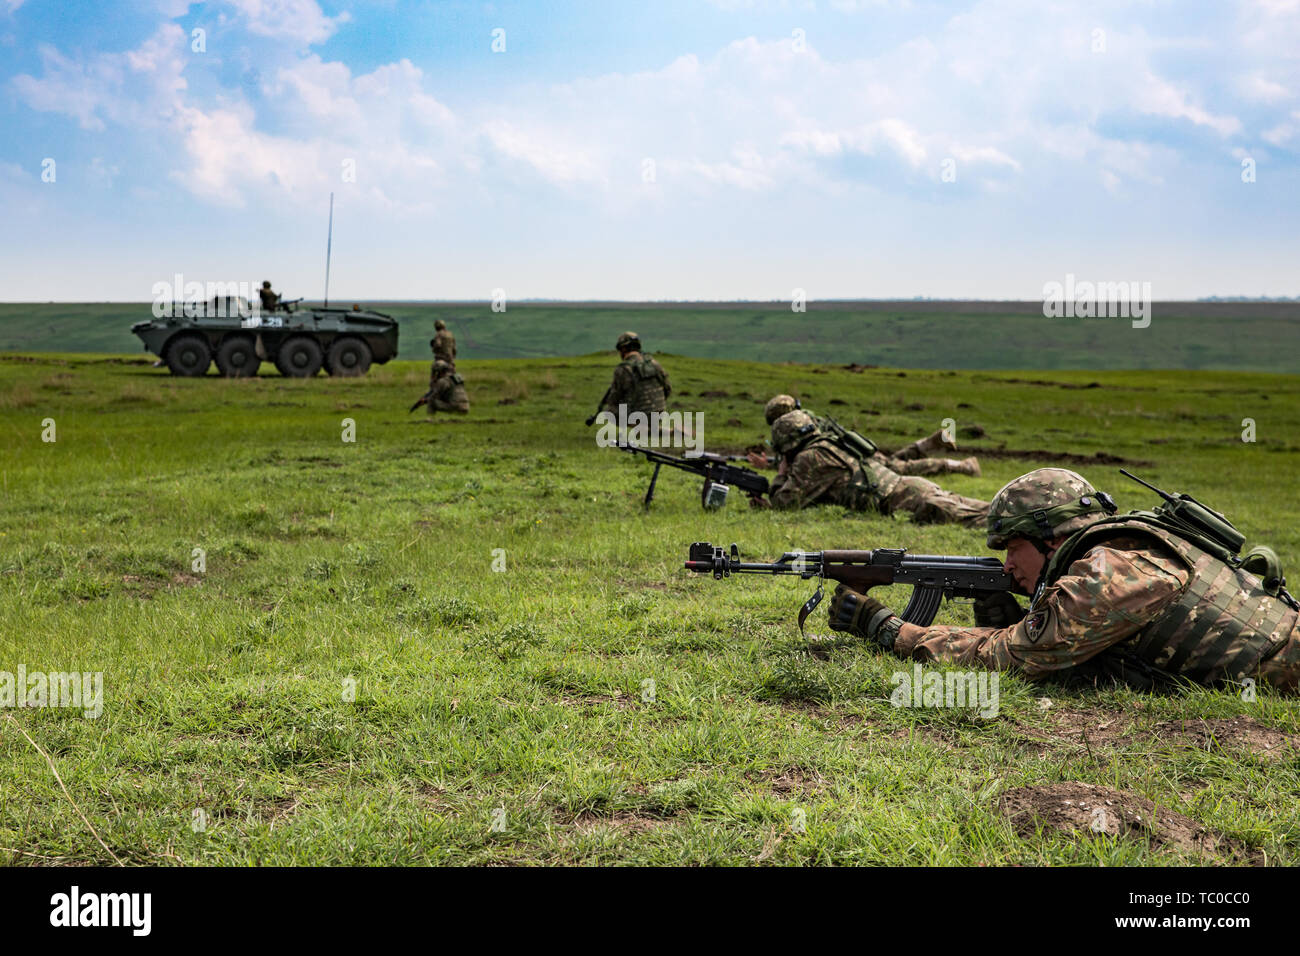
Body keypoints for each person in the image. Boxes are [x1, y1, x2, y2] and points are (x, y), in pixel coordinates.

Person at [825, 467, 1300, 692]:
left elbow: (1020, 657)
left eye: (1013, 548)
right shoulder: (1118, 552)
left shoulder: (1111, 570)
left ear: (1049, 537)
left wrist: (890, 630)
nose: (1007, 566)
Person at [763, 409, 989, 525]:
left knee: (985, 521)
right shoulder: (829, 443)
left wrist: (781, 475)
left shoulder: (809, 457)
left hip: (905, 500)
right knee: (987, 510)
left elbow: (786, 504)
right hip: (911, 487)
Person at [759, 394, 979, 477]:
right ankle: (934, 441)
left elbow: (803, 462)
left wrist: (771, 466)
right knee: (895, 462)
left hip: (856, 459)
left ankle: (961, 466)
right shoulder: (808, 420)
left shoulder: (800, 428)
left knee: (901, 469)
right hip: (854, 453)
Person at [600, 332, 671, 417]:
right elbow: (667, 388)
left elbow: (614, 398)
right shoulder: (653, 363)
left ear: (623, 349)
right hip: (659, 412)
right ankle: (651, 428)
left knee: (609, 412)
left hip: (638, 415)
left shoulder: (622, 369)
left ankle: (642, 427)